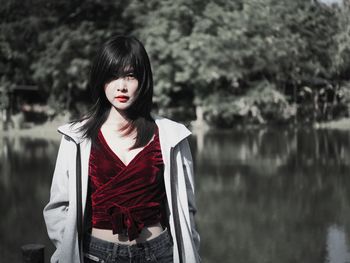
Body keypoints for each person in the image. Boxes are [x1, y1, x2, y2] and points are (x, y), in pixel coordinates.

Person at [43, 35, 200, 263]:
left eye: (130, 76)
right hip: (96, 254)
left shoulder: (171, 136)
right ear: (101, 80)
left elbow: (187, 209)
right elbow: (58, 208)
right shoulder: (77, 138)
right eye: (113, 76)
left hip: (158, 254)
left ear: (143, 80)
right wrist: (67, 249)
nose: (122, 86)